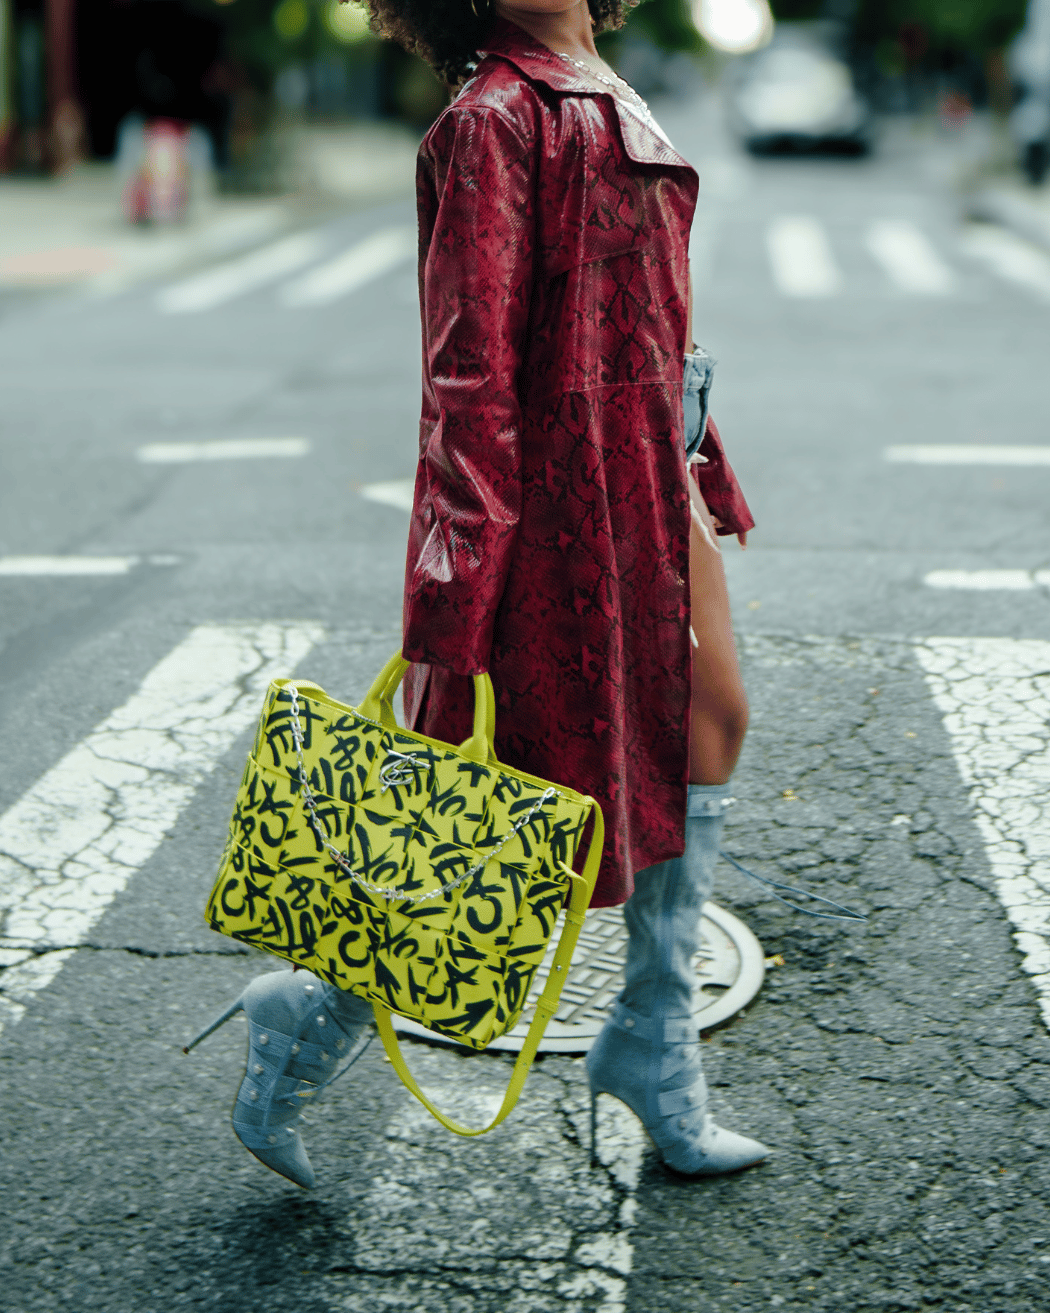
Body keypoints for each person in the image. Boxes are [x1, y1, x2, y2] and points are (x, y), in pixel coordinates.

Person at [390, 0, 768, 1176]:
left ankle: (652, 1037)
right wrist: (455, 592)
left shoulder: (596, 79)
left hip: (647, 472)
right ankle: (307, 1017)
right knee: (506, 808)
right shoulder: (495, 117)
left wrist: (705, 455)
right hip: (567, 502)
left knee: (708, 725)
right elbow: (468, 377)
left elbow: (651, 316)